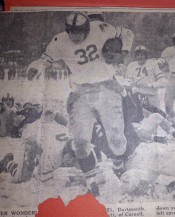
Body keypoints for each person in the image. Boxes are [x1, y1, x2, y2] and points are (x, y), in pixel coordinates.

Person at [26, 11, 134, 196]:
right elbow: (44, 59)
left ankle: (118, 165)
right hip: (80, 93)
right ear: (67, 30)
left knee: (117, 141)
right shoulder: (60, 40)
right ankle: (92, 180)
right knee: (81, 142)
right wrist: (36, 67)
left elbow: (128, 34)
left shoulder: (101, 29)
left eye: (79, 32)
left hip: (106, 88)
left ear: (87, 28)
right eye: (72, 32)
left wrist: (122, 54)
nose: (75, 36)